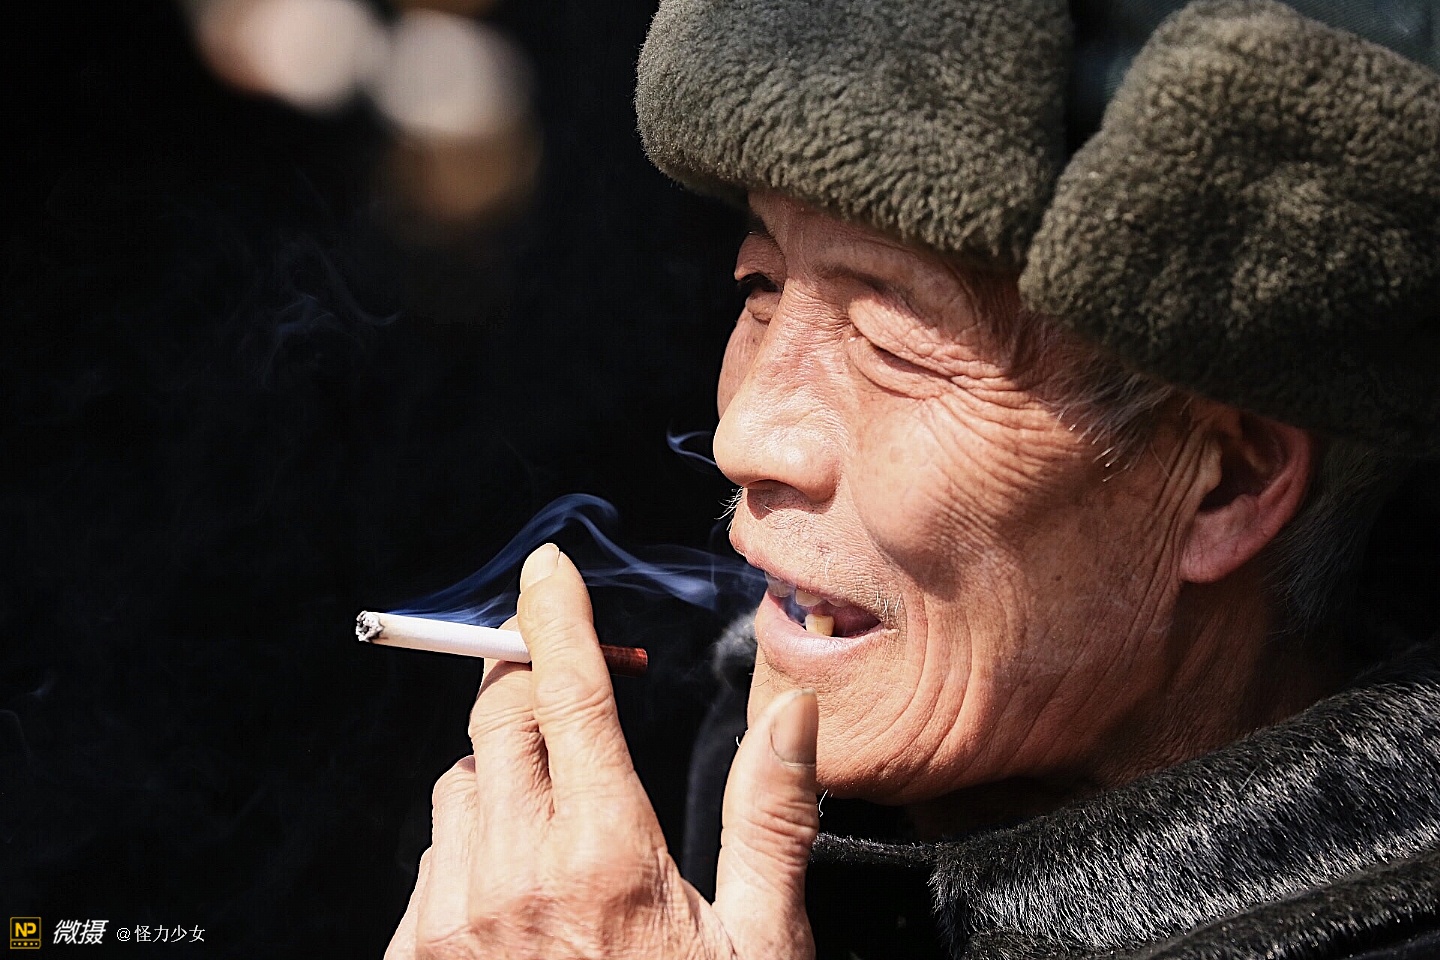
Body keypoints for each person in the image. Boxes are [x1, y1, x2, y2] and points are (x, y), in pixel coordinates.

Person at [384, 0, 1440, 957]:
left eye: (893, 345)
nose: (747, 435)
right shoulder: (684, 808)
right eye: (761, 287)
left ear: (1225, 484)